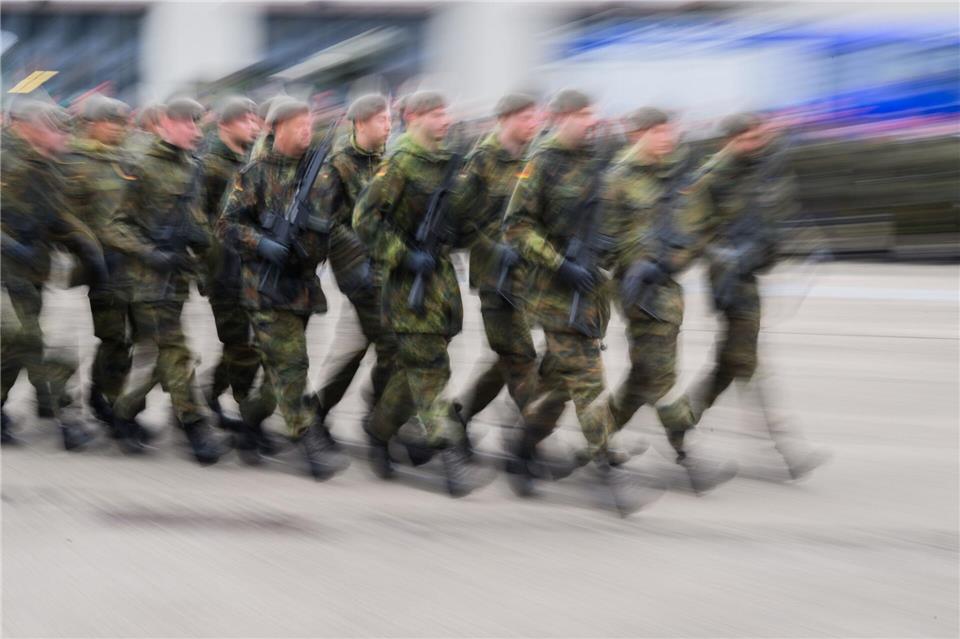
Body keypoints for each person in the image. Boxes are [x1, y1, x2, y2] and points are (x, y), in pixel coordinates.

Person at [657, 112, 826, 479]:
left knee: (733, 364)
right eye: (748, 139)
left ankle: (680, 419)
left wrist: (802, 243)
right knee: (746, 361)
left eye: (759, 137)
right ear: (728, 141)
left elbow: (772, 215)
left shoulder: (757, 167)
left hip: (749, 275)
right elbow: (694, 232)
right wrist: (727, 256)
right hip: (728, 281)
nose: (756, 144)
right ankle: (784, 445)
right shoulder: (709, 179)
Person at [603, 107, 737, 491]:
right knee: (660, 377)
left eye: (670, 130)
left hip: (668, 289)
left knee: (643, 376)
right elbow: (605, 241)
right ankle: (686, 452)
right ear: (637, 134)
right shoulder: (618, 179)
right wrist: (635, 264)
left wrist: (669, 261)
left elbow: (695, 234)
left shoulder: (680, 178)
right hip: (636, 291)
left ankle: (595, 440)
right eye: (658, 131)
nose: (668, 137)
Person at [500, 89, 623, 495]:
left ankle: (520, 449)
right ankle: (606, 466)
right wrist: (559, 263)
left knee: (555, 388)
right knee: (589, 380)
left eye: (594, 113)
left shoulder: (598, 159)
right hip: (554, 294)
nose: (593, 121)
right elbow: (516, 226)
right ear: (563, 116)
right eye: (585, 114)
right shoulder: (542, 162)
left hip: (590, 289)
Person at [218, 99, 349, 479]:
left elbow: (336, 224)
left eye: (309, 124)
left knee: (279, 370)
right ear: (277, 128)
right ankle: (308, 441)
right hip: (264, 287)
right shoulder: (255, 172)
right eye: (298, 125)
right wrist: (260, 243)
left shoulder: (322, 174)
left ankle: (250, 423)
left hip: (302, 286)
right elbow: (226, 225)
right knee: (292, 364)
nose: (307, 130)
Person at [352, 90, 473, 496]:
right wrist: (402, 255)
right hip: (408, 282)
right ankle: (448, 449)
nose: (446, 120)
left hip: (438, 278)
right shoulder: (399, 163)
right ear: (415, 117)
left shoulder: (448, 163)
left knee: (413, 370)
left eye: (446, 113)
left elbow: (459, 221)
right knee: (429, 370)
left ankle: (378, 430)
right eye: (437, 114)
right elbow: (364, 220)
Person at [104, 97, 224, 464]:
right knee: (176, 351)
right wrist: (148, 252)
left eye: (197, 123)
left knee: (163, 358)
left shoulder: (193, 167)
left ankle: (123, 412)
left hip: (177, 276)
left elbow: (197, 223)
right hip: (147, 279)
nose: (196, 130)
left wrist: (206, 265)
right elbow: (114, 225)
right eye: (188, 122)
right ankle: (195, 426)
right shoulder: (141, 167)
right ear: (166, 124)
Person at [1, 98, 108, 449]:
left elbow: (58, 215)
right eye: (55, 128)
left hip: (30, 271)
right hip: (5, 272)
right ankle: (68, 417)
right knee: (34, 341)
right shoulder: (6, 158)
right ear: (28, 126)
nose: (64, 137)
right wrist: (8, 244)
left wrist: (87, 246)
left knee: (14, 346)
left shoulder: (46, 164)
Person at [451, 93, 541, 444]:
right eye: (525, 117)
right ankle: (533, 440)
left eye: (535, 117)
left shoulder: (534, 157)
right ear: (505, 119)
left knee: (508, 356)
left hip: (530, 274)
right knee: (520, 356)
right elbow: (460, 221)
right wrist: (491, 246)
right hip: (496, 277)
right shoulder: (481, 160)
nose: (533, 124)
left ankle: (461, 414)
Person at [311, 94, 397, 434]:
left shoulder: (387, 161)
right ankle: (377, 416)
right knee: (390, 343)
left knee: (357, 345)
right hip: (358, 272)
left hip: (386, 269)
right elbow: (325, 223)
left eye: (389, 119)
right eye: (381, 119)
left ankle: (321, 410)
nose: (389, 125)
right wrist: (360, 254)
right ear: (360, 123)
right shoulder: (339, 165)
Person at [61, 94, 138, 435]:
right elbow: (64, 215)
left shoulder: (126, 159)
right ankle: (103, 401)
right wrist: (87, 249)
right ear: (92, 125)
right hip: (101, 265)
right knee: (112, 336)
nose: (119, 128)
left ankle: (103, 395)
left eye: (122, 122)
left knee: (129, 336)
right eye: (112, 122)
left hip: (132, 261)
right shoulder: (74, 162)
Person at [198, 96, 261, 435]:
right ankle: (237, 404)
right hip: (223, 269)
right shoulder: (209, 166)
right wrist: (207, 268)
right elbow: (198, 221)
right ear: (225, 124)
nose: (254, 125)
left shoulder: (248, 162)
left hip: (249, 268)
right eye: (247, 119)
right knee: (241, 343)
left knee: (244, 342)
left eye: (255, 119)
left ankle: (210, 393)